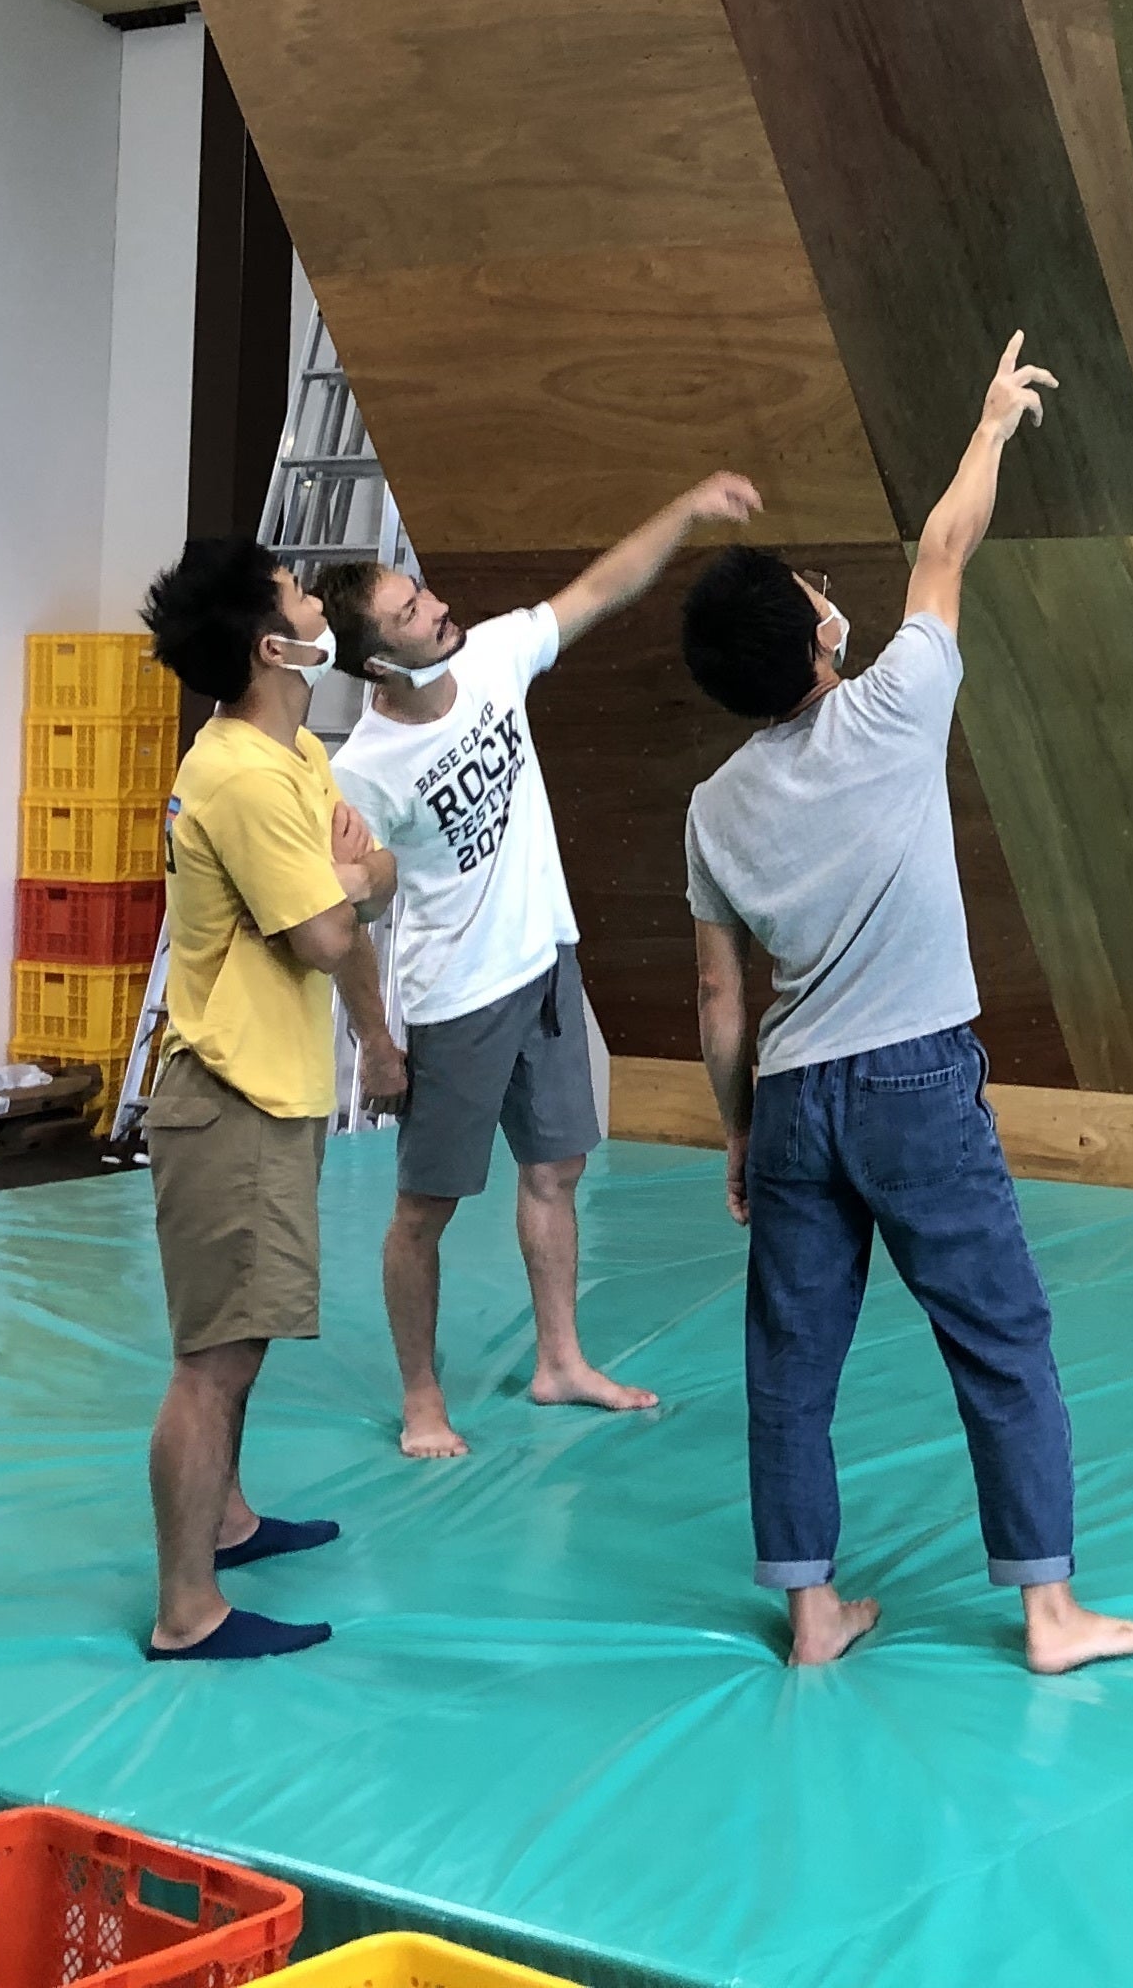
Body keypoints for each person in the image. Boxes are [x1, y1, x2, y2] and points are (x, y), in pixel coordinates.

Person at [679, 332, 1133, 1677]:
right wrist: (993, 421)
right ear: (815, 636)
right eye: (810, 588)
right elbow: (946, 546)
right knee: (1000, 1340)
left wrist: (739, 1129)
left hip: (793, 1098)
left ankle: (812, 1616)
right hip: (914, 1086)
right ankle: (1051, 1615)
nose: (827, 592)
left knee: (790, 1365)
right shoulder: (895, 705)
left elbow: (721, 997)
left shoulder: (712, 807)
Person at [311, 471, 765, 1461]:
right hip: (455, 1000)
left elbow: (602, 587)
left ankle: (560, 1360)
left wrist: (686, 508)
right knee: (424, 1211)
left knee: (556, 1171)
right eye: (411, 612)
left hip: (545, 964)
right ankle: (422, 1398)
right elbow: (353, 916)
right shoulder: (362, 774)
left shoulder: (493, 656)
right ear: (379, 663)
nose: (437, 609)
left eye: (421, 593)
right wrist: (377, 1043)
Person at [134, 539, 407, 1661]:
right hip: (229, 1100)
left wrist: (356, 879)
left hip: (273, 1093)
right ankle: (186, 1611)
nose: (316, 600)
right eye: (297, 595)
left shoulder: (289, 755)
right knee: (213, 1360)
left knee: (241, 1343)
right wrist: (352, 885)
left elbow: (374, 874)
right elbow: (329, 931)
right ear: (271, 647)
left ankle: (230, 1521)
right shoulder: (245, 779)